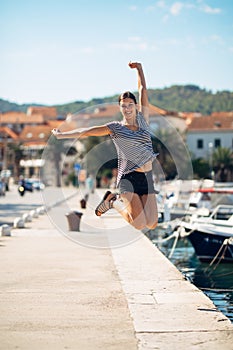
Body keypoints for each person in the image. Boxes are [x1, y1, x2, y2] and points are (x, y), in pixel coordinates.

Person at [52, 61, 158, 231]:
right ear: (120, 108)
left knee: (152, 223)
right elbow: (87, 131)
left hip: (147, 178)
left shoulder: (143, 121)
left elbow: (143, 90)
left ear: (135, 106)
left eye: (130, 104)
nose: (127, 108)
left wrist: (139, 69)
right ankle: (114, 202)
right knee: (138, 224)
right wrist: (62, 135)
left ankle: (113, 201)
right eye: (124, 105)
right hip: (128, 178)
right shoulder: (116, 128)